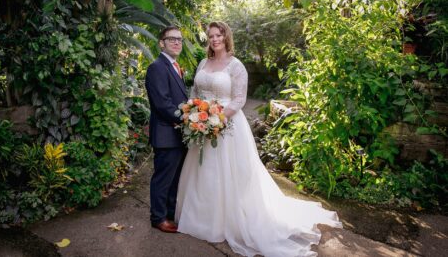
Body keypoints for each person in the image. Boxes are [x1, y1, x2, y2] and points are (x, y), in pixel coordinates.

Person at [175, 21, 342, 256]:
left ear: (226, 38)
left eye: (219, 36)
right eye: (211, 36)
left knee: (228, 174)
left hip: (227, 126)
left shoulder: (236, 66)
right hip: (201, 124)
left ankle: (228, 220)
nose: (214, 40)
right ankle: (201, 218)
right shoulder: (203, 62)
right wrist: (195, 115)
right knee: (203, 171)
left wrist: (216, 119)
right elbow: (195, 92)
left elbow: (239, 99)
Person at [145, 26, 188, 233]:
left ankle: (169, 214)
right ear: (161, 43)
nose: (177, 42)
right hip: (166, 133)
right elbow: (162, 103)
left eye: (179, 39)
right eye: (171, 39)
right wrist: (189, 119)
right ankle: (158, 218)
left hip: (177, 133)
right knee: (163, 179)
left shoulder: (174, 66)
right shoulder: (157, 67)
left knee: (174, 179)